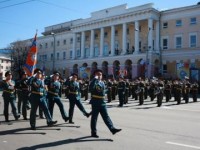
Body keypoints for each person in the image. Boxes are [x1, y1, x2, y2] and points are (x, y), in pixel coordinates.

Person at [89, 69, 122, 138]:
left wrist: (107, 90)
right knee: (94, 118)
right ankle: (93, 132)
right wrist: (95, 79)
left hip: (102, 102)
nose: (99, 75)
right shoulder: (93, 82)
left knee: (106, 117)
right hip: (95, 101)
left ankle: (112, 129)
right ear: (95, 75)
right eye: (97, 74)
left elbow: (102, 91)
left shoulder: (102, 82)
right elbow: (91, 88)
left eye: (100, 74)